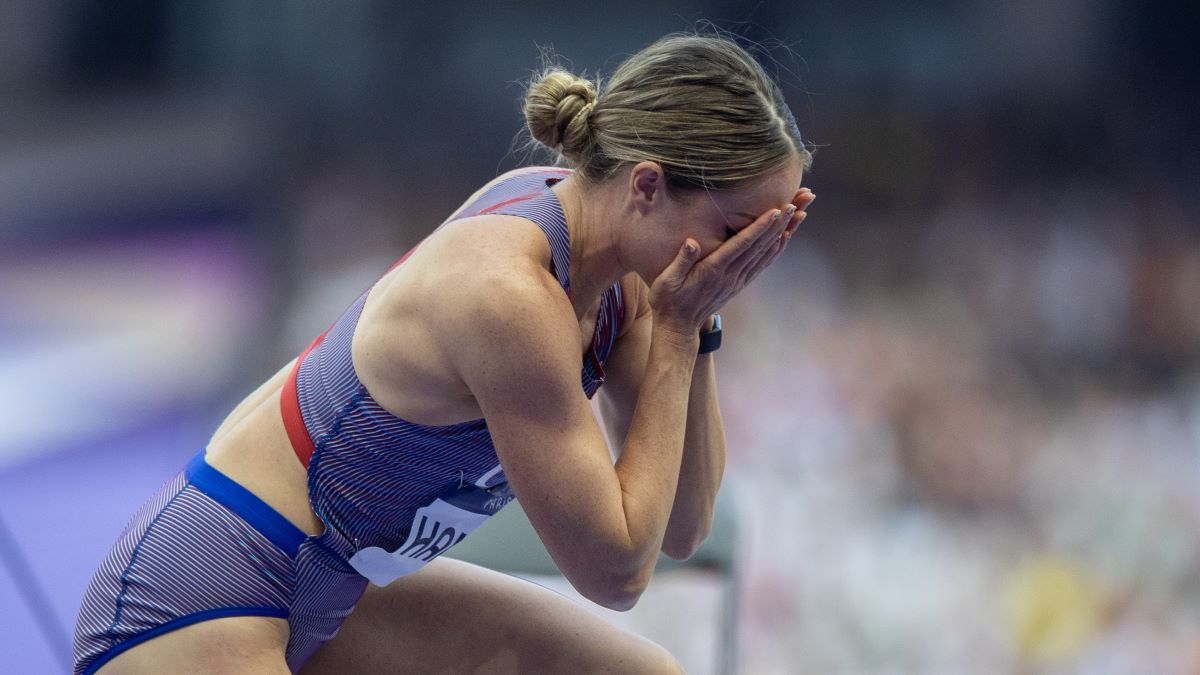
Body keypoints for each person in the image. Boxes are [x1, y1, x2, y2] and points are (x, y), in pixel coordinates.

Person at [73, 32, 815, 674]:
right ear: (647, 186)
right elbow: (616, 570)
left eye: (766, 242)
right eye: (736, 234)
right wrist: (681, 330)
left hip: (334, 586)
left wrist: (701, 321)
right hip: (201, 592)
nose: (744, 262)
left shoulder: (628, 271)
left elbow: (682, 526)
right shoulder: (507, 292)